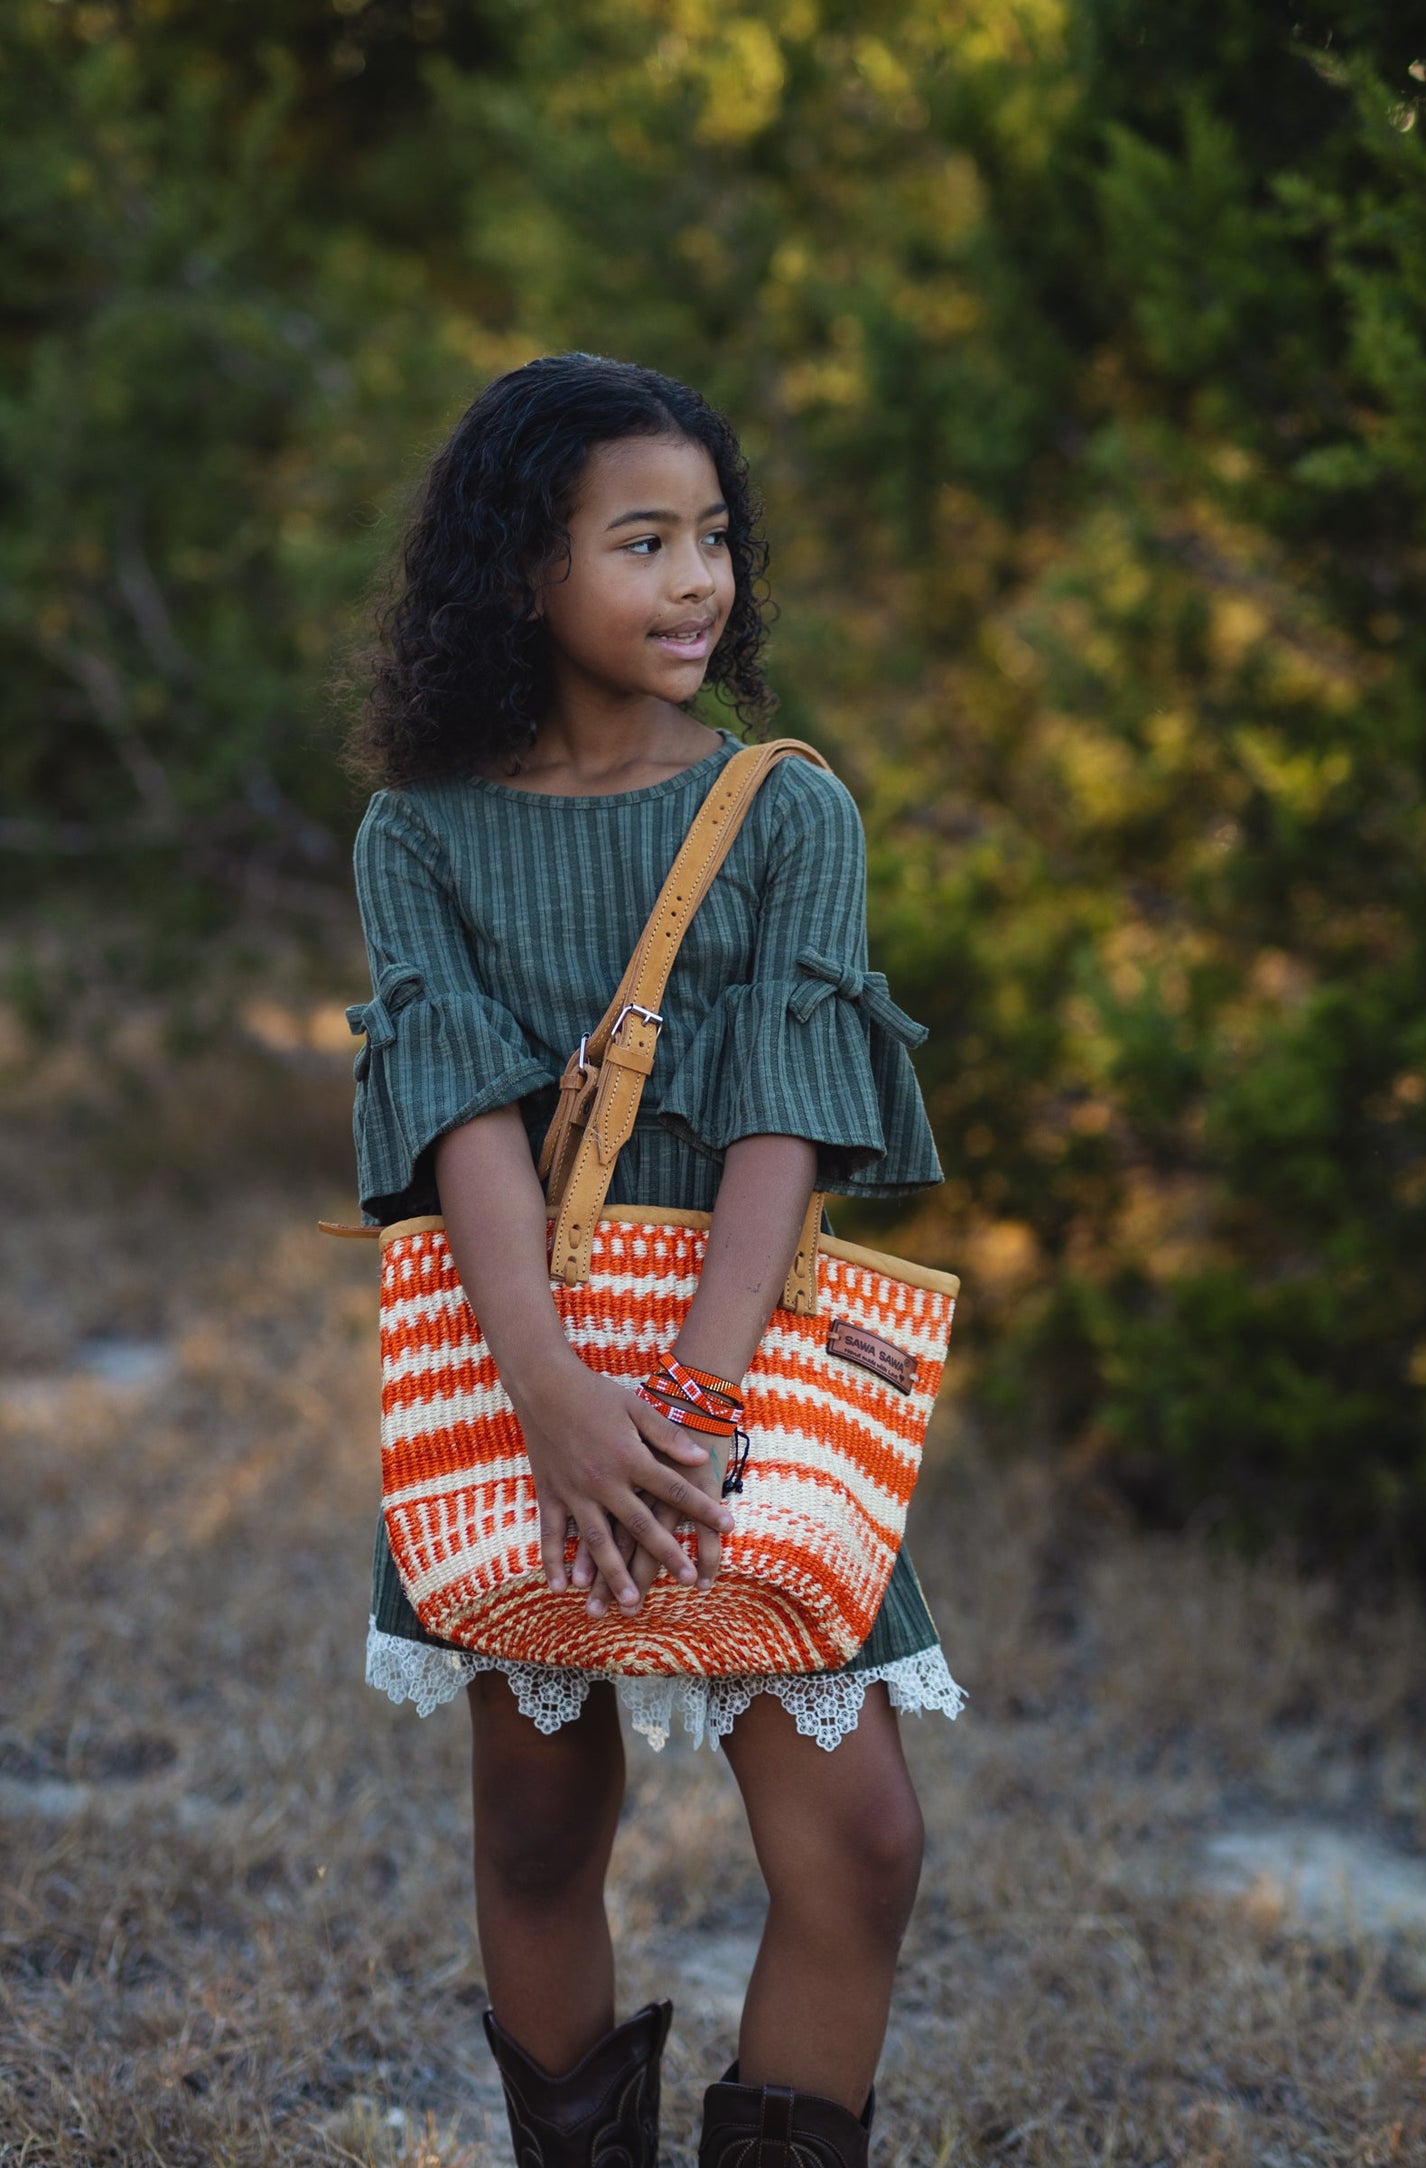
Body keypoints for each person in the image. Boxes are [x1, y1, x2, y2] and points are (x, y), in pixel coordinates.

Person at [346, 353, 965, 2168]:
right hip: (517, 1368)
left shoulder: (788, 810)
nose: (697, 579)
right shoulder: (419, 832)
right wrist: (551, 1391)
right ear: (521, 574)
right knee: (539, 1829)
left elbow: (788, 1107)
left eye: (713, 537)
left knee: (859, 1839)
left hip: (738, 1374)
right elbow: (454, 1106)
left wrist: (682, 1398)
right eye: (641, 541)